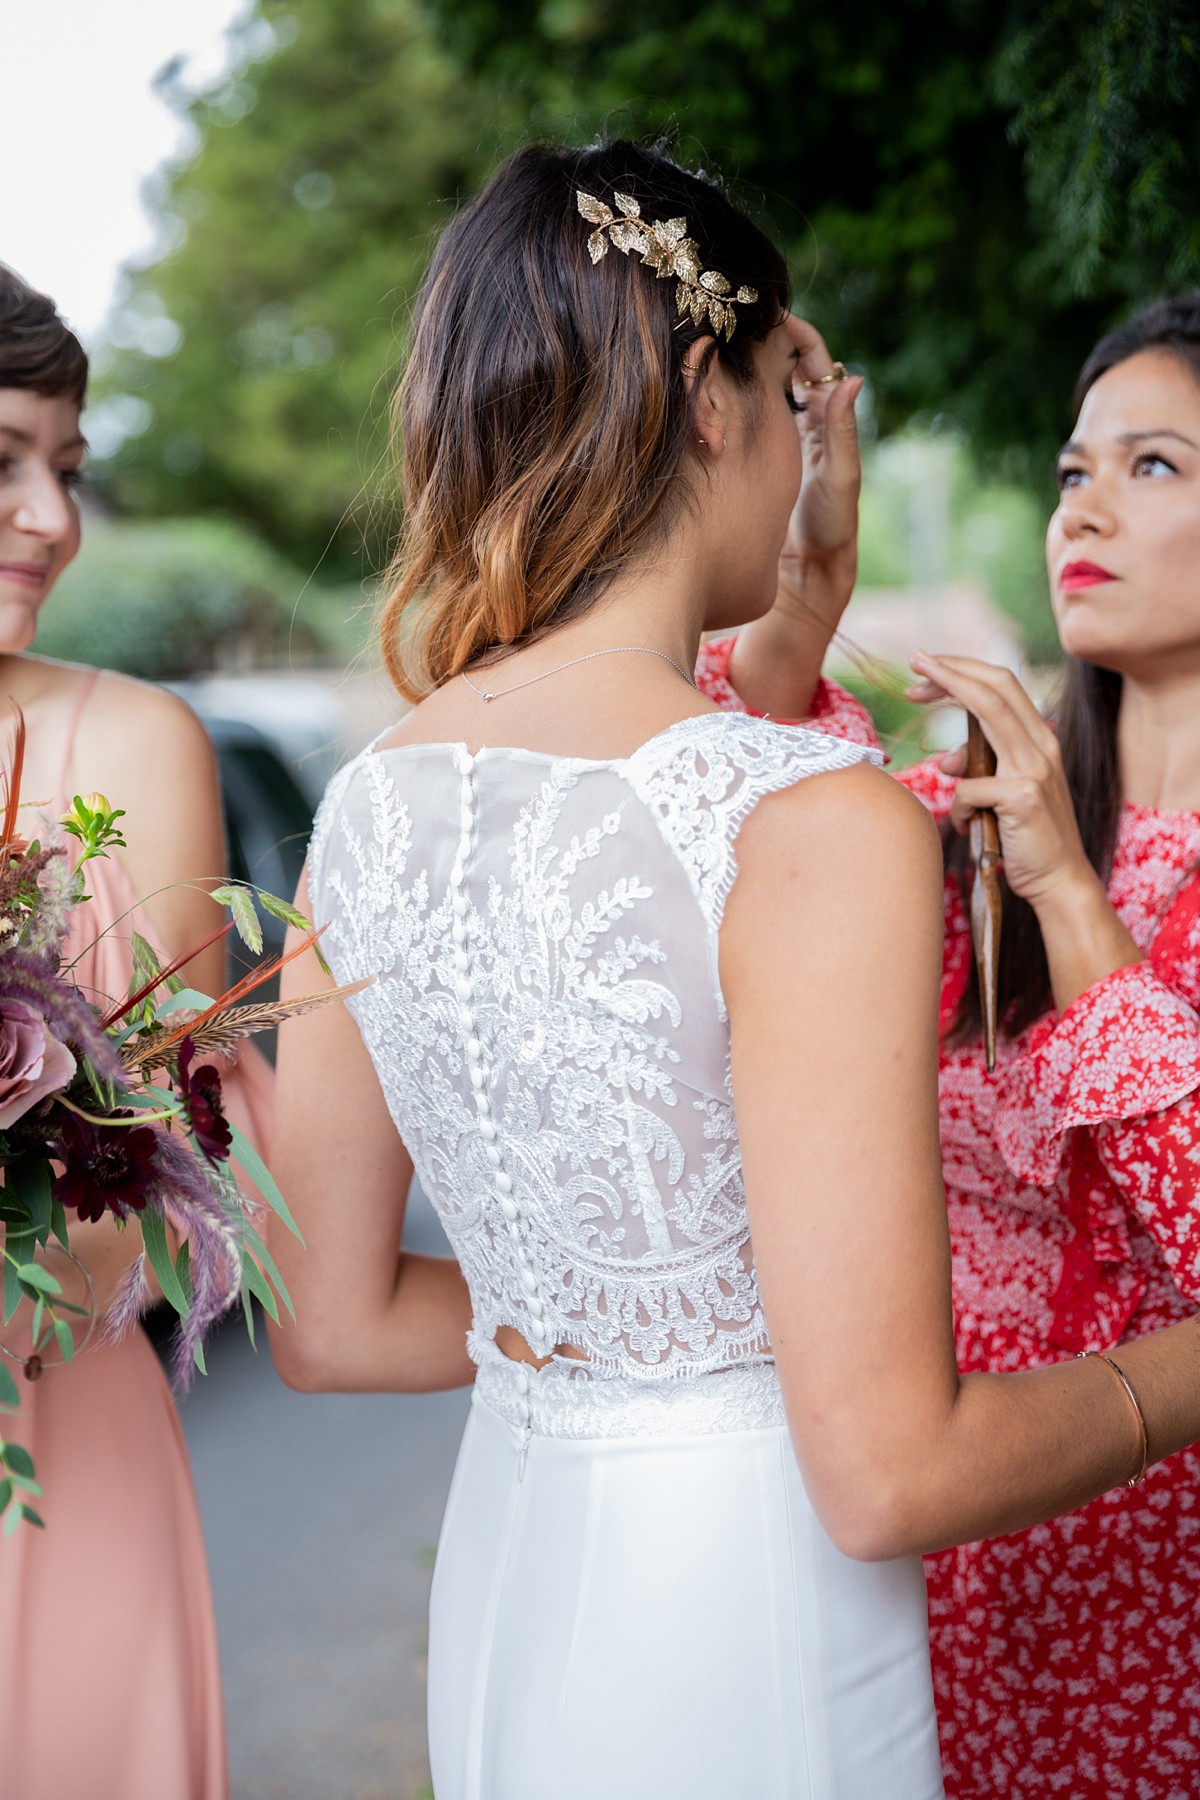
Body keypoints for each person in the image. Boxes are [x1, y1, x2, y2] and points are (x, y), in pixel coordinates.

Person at [268, 145, 1200, 1800]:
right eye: (795, 401)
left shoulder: (372, 800)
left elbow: (330, 1322)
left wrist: (642, 1322)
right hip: (746, 1603)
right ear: (712, 400)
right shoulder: (810, 820)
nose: (805, 459)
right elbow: (889, 1474)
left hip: (520, 1550)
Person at [700, 291, 1200, 1797]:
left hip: (1164, 1583)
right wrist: (809, 579)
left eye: (1155, 465)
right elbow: (719, 834)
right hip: (942, 1558)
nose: (1084, 504)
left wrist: (1068, 892)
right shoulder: (954, 822)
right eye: (1070, 469)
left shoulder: (1023, 845)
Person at [0, 264, 264, 1800]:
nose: (51, 518)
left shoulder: (138, 746)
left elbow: (193, 1149)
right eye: (4, 463)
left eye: (68, 470)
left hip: (70, 1450)